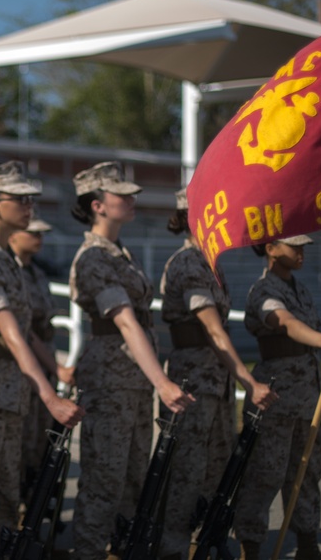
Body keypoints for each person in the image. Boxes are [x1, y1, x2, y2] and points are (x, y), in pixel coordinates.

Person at [0, 161, 83, 559]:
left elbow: (24, 333)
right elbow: (8, 332)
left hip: (7, 392)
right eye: (19, 199)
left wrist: (52, 372)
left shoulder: (6, 259)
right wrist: (49, 395)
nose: (29, 207)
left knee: (5, 496)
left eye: (30, 199)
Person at [68, 161, 194, 560]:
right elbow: (124, 322)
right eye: (120, 193)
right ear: (97, 205)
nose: (131, 198)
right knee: (104, 482)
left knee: (134, 481)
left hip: (132, 381)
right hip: (110, 381)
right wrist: (163, 381)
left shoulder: (121, 254)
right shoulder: (93, 258)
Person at [157, 188, 277, 560]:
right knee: (186, 471)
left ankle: (206, 540)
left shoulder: (210, 263)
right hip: (194, 381)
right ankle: (174, 548)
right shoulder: (189, 261)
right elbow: (212, 328)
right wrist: (248, 381)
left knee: (215, 469)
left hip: (215, 382)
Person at [233, 235, 321, 560]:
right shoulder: (264, 291)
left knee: (307, 471)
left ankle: (308, 547)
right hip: (276, 396)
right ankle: (251, 549)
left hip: (307, 395)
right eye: (293, 247)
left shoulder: (300, 288)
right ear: (270, 249)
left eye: (303, 247)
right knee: (266, 474)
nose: (301, 252)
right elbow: (285, 322)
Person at [7, 214, 59, 492]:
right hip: (25, 361)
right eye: (33, 233)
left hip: (45, 355)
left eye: (42, 234)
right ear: (13, 235)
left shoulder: (36, 273)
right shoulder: (10, 272)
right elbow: (24, 328)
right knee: (23, 438)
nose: (39, 238)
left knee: (41, 436)